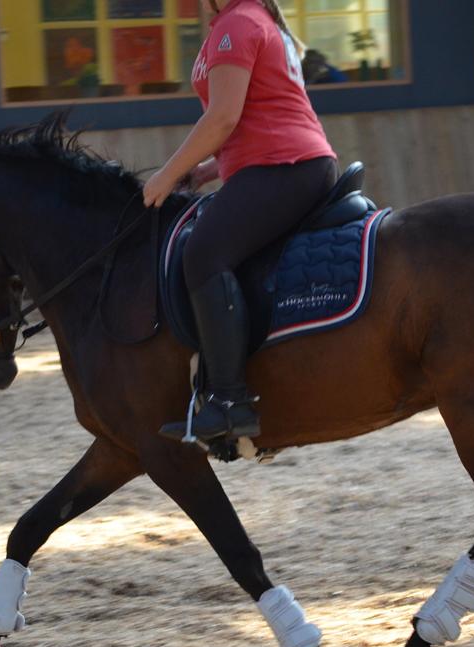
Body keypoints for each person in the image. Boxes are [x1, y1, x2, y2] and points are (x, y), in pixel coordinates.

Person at [144, 0, 338, 443]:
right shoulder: (252, 20)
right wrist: (208, 171)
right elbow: (260, 112)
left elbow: (223, 117)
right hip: (281, 162)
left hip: (284, 166)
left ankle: (231, 402)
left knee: (205, 255)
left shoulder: (237, 24)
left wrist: (167, 174)